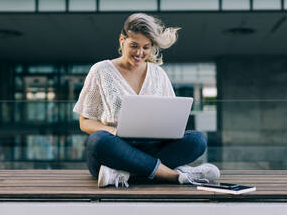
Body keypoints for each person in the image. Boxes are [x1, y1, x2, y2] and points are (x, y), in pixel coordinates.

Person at [73, 13, 220, 188]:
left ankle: (124, 173)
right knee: (98, 141)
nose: (139, 53)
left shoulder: (158, 74)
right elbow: (85, 122)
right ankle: (175, 175)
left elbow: (172, 119)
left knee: (197, 140)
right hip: (115, 149)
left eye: (146, 47)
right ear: (122, 40)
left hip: (152, 146)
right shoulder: (101, 70)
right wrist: (111, 131)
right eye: (134, 45)